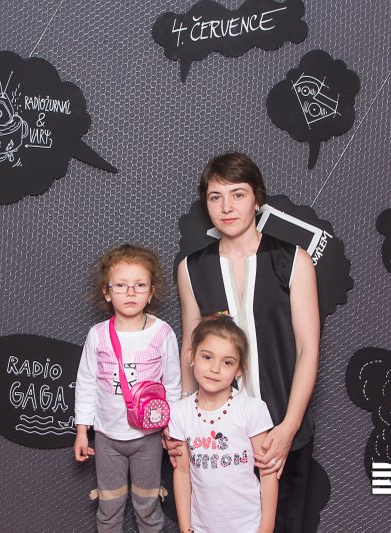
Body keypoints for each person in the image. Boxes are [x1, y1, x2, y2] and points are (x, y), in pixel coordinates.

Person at [174, 152, 320, 533]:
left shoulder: (293, 260)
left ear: (257, 199)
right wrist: (182, 425)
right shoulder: (192, 268)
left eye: (237, 195)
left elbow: (308, 349)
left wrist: (288, 427)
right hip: (214, 441)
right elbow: (190, 349)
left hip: (281, 432)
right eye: (215, 196)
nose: (227, 207)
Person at [74, 244, 182, 532]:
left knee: (147, 504)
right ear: (107, 292)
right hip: (107, 437)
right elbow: (86, 382)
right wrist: (82, 430)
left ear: (151, 292)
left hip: (148, 437)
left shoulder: (162, 333)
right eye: (121, 285)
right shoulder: (98, 335)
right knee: (109, 505)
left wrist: (171, 428)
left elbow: (172, 385)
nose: (131, 292)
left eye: (140, 285)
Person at [169, 315, 278, 533]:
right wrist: (185, 528)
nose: (215, 368)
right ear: (191, 356)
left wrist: (266, 528)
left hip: (248, 526)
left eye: (227, 362)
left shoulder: (252, 410)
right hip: (201, 527)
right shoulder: (180, 412)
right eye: (207, 357)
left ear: (239, 369)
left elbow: (267, 473)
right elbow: (181, 473)